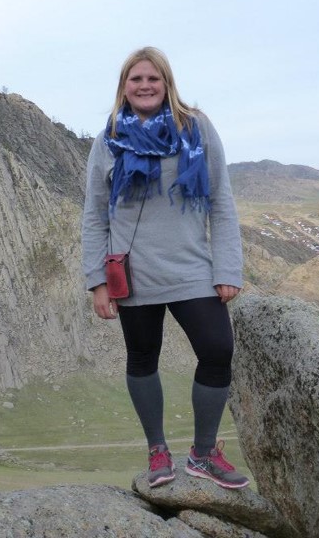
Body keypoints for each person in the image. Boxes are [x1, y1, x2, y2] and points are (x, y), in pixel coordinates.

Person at [81, 47, 248, 490]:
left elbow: (221, 201)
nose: (145, 85)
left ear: (167, 83)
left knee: (217, 350)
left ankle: (204, 452)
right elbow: (95, 214)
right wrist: (97, 281)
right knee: (142, 358)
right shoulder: (109, 139)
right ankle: (158, 450)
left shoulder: (197, 128)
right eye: (136, 79)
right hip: (134, 274)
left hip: (192, 267)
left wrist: (227, 267)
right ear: (124, 87)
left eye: (153, 78)